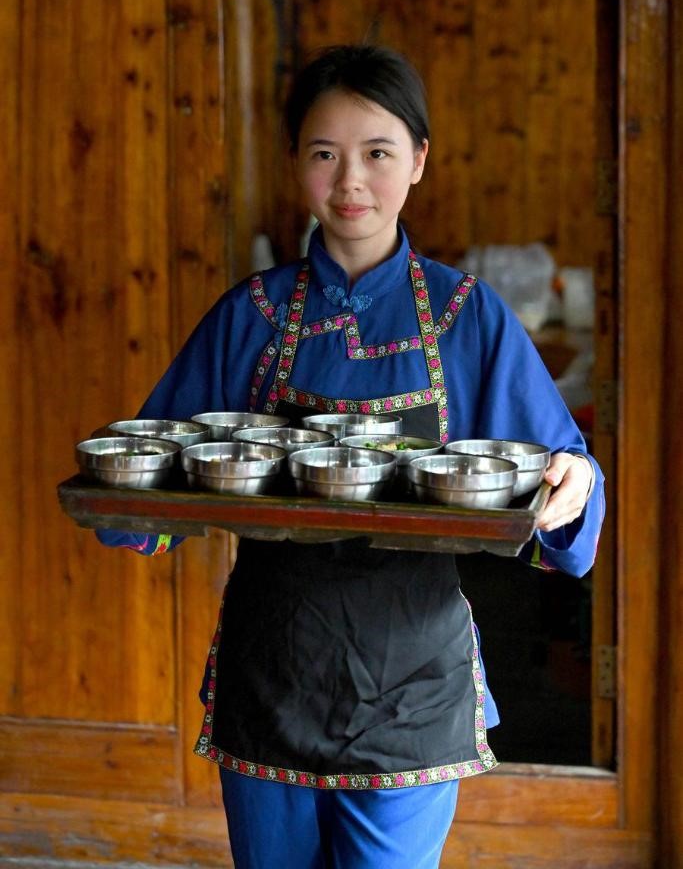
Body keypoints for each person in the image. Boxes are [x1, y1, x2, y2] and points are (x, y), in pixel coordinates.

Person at [97, 44, 605, 868]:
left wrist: (574, 485)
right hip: (273, 667)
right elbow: (152, 467)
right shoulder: (249, 315)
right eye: (323, 154)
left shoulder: (465, 317)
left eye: (376, 153)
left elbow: (566, 470)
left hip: (413, 678)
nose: (349, 182)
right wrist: (125, 506)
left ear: (418, 162)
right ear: (296, 162)